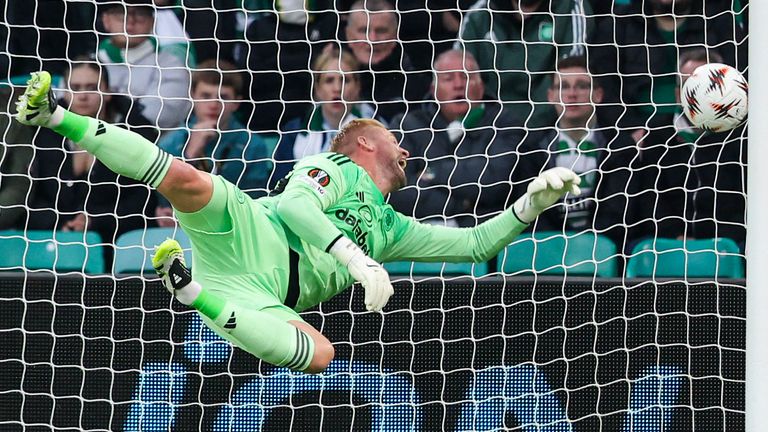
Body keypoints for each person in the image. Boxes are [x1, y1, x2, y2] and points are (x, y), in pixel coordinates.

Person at [16, 71, 580, 374]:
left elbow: (476, 243)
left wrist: (529, 205)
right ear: (363, 143)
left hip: (263, 293)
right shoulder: (329, 163)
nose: (404, 148)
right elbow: (292, 208)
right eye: (392, 140)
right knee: (188, 180)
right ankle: (56, 114)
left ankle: (194, 295)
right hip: (254, 230)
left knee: (319, 355)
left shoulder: (392, 226)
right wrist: (354, 259)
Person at [24, 60, 159, 263]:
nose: (83, 96)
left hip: (118, 242)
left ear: (109, 91)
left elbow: (144, 201)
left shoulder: (136, 131)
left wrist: (95, 220)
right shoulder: (44, 134)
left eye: (92, 87)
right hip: (55, 240)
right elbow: (32, 200)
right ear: (65, 93)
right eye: (75, 88)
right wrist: (64, 222)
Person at [513, 56, 639, 252]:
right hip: (547, 253)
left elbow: (618, 214)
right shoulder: (532, 149)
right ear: (550, 96)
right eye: (563, 87)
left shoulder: (621, 147)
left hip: (604, 254)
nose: (571, 94)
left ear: (597, 95)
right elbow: (530, 213)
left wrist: (585, 248)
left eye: (581, 86)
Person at [388, 49, 524, 228]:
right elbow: (395, 191)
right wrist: (460, 205)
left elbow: (496, 182)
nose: (459, 85)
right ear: (434, 89)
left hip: (485, 237)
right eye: (448, 79)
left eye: (466, 77)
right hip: (420, 239)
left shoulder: (505, 123)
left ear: (481, 87)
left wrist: (433, 173)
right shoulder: (408, 125)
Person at [631, 49, 746, 249]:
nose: (698, 95)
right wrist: (675, 235)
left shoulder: (741, 137)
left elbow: (742, 202)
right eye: (690, 87)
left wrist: (719, 241)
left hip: (728, 242)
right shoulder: (657, 134)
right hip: (665, 240)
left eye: (708, 87)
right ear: (677, 94)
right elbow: (648, 196)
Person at [588, 0, 744, 136]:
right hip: (637, 131)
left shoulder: (720, 23)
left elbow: (741, 79)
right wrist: (631, 130)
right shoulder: (618, 24)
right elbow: (604, 86)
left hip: (709, 126)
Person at [155, 59, 271, 226]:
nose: (214, 104)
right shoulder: (170, 143)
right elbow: (165, 204)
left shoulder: (253, 145)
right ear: (193, 96)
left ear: (236, 102)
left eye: (223, 97)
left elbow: (254, 202)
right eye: (206, 96)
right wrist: (190, 155)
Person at [458, 0, 593, 128]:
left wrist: (529, 128)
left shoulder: (571, 8)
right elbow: (458, 71)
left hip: (548, 129)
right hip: (487, 127)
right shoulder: (480, 13)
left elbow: (571, 74)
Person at [271, 47, 377, 183]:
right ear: (317, 88)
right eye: (329, 80)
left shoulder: (375, 130)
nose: (337, 88)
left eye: (345, 80)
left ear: (357, 87)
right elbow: (279, 183)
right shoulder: (294, 131)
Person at [97, 0, 192, 129]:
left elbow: (163, 114)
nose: (130, 20)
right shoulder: (87, 64)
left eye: (140, 13)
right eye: (121, 13)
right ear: (106, 20)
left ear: (152, 22)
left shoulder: (170, 65)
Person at [342, 0, 431, 125]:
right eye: (363, 30)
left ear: (395, 35)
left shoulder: (415, 85)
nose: (372, 40)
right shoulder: (332, 81)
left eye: (381, 31)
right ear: (349, 35)